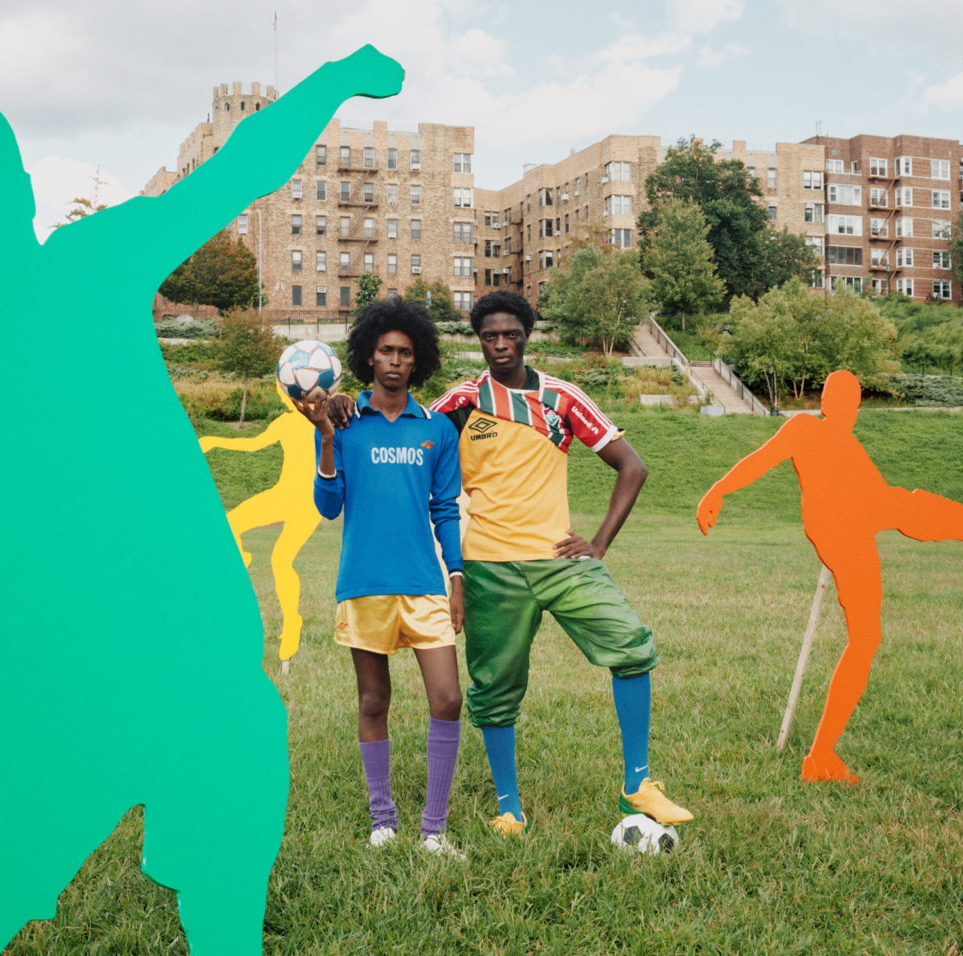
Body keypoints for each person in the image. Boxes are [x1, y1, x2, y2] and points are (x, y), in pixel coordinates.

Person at [0, 48, 404, 954]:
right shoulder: (86, 264)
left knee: (213, 806)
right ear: (19, 184)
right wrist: (335, 79)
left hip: (134, 659)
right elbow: (246, 164)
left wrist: (335, 79)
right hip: (115, 659)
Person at [697, 369, 963, 783]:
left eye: (853, 402)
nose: (846, 408)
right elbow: (761, 459)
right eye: (838, 399)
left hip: (857, 528)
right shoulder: (805, 430)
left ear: (857, 408)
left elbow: (886, 503)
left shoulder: (852, 449)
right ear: (825, 404)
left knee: (901, 528)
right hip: (837, 532)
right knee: (904, 513)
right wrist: (719, 489)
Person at [429, 289, 692, 836]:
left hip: (558, 557)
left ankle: (637, 785)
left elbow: (632, 467)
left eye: (511, 334)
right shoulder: (461, 400)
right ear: (478, 341)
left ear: (528, 334)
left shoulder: (563, 398)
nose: (501, 345)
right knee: (494, 687)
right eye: (489, 337)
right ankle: (509, 807)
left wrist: (597, 544)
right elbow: (413, 441)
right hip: (489, 566)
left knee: (630, 643)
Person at [297, 298, 467, 858]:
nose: (395, 361)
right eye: (386, 351)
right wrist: (324, 436)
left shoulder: (437, 429)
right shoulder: (345, 422)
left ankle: (434, 828)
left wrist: (457, 574)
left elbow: (445, 507)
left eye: (406, 353)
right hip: (363, 583)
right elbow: (328, 506)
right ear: (369, 357)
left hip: (424, 584)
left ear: (417, 363)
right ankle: (382, 818)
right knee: (374, 700)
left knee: (447, 698)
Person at [199, 383, 324, 665]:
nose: (284, 397)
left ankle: (292, 622)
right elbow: (253, 444)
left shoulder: (325, 423)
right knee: (230, 525)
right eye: (284, 393)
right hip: (282, 495)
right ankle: (239, 566)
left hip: (309, 502)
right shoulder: (284, 422)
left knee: (281, 560)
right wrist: (216, 441)